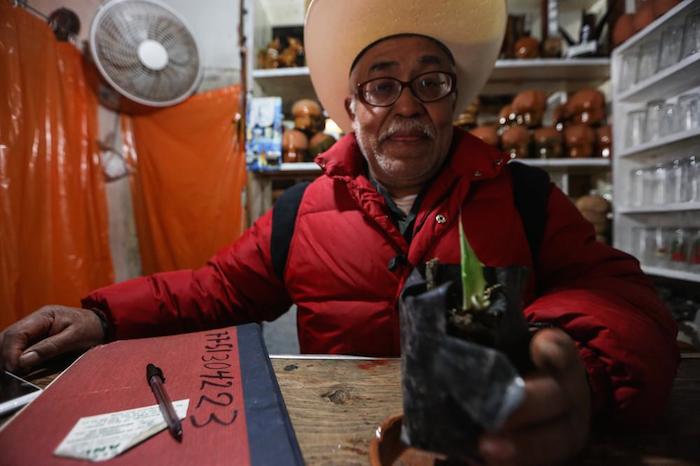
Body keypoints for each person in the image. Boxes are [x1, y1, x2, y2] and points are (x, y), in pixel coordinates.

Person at [0, 0, 678, 464]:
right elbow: (214, 289)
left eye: (429, 81)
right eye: (381, 86)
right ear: (351, 108)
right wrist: (101, 317)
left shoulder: (525, 196)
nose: (406, 103)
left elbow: (624, 300)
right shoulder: (299, 212)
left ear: (453, 101)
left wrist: (580, 373)